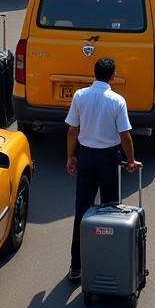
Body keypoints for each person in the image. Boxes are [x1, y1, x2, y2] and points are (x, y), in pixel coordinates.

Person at [64, 57, 139, 283]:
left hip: (86, 157)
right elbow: (125, 136)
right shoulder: (118, 101)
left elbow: (72, 131)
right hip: (109, 159)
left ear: (93, 73)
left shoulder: (80, 96)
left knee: (81, 212)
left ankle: (76, 266)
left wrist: (71, 157)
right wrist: (131, 160)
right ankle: (108, 261)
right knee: (110, 213)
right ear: (113, 76)